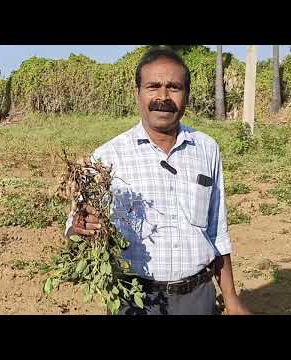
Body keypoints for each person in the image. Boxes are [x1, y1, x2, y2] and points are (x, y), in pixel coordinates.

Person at [65, 47, 250, 315]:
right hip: (135, 299)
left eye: (174, 87)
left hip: (197, 297)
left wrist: (231, 299)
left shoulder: (207, 148)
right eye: (153, 86)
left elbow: (217, 231)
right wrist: (80, 227)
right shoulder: (107, 157)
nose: (163, 97)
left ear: (186, 95)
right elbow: (74, 225)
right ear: (137, 93)